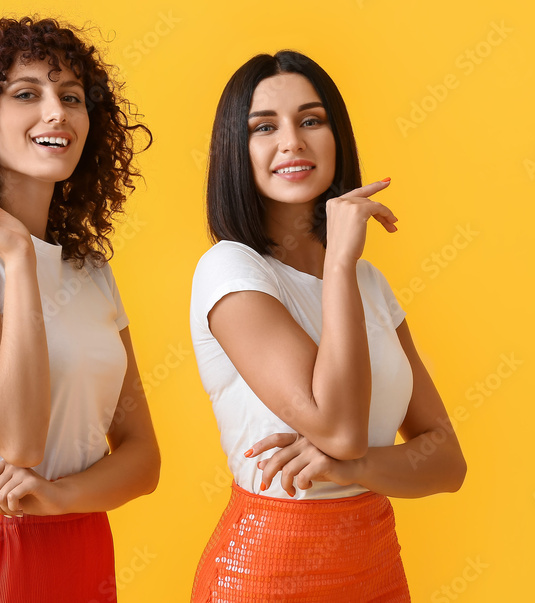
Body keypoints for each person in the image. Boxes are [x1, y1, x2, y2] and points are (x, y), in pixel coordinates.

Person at [189, 50, 466, 602]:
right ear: (235, 152)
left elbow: (446, 461)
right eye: (264, 127)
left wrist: (356, 465)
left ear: (337, 137)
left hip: (376, 565)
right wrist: (338, 263)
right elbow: (338, 427)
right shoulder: (231, 269)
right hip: (266, 570)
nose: (291, 141)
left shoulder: (371, 283)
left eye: (310, 120)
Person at [0, 16, 160, 603]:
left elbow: (143, 457)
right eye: (27, 94)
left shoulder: (88, 269)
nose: (57, 113)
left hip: (84, 547)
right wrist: (17, 259)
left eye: (71, 97)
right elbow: (18, 440)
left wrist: (63, 498)